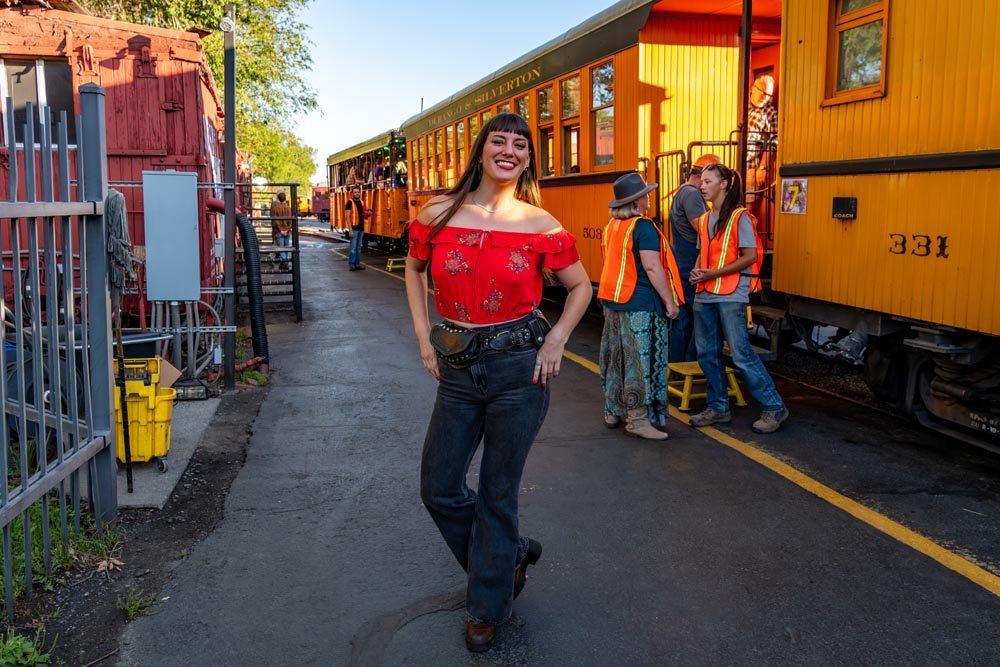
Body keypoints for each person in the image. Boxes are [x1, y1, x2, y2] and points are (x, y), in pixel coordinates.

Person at [405, 112, 591, 653]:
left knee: (497, 492)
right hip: (459, 367)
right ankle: (506, 556)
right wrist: (423, 338)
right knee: (437, 486)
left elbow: (580, 288)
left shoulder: (541, 225)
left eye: (520, 145)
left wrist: (555, 341)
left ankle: (488, 606)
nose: (508, 150)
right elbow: (415, 272)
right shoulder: (438, 214)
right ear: (481, 151)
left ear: (528, 159)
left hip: (519, 367)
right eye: (498, 141)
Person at [688, 162, 788, 434]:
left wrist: (711, 272)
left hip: (731, 292)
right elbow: (703, 251)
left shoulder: (739, 217)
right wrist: (698, 270)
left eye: (708, 181)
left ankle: (773, 406)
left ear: (723, 185)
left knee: (741, 353)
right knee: (707, 353)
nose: (702, 186)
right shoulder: (706, 219)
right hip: (706, 292)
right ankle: (718, 407)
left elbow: (750, 256)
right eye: (702, 181)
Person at [597, 173, 682, 440]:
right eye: (646, 194)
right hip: (640, 305)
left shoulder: (612, 225)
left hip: (613, 300)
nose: (649, 198)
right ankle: (638, 419)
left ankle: (613, 410)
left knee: (617, 358)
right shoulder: (642, 227)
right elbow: (652, 267)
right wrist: (670, 301)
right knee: (640, 362)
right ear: (637, 202)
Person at [667, 154, 720, 362]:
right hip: (690, 263)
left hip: (683, 261)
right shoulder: (690, 195)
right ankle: (687, 364)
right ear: (703, 175)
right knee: (694, 319)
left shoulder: (683, 192)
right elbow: (703, 229)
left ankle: (679, 365)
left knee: (684, 319)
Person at [345, 187, 368, 271]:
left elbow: (364, 214)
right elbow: (347, 217)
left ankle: (357, 264)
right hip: (354, 228)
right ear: (352, 193)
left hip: (361, 228)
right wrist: (350, 230)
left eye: (358, 192)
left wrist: (368, 213)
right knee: (353, 248)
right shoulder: (349, 202)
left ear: (360, 193)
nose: (357, 193)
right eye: (355, 192)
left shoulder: (362, 202)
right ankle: (351, 264)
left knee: (358, 248)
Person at [269, 189, 293, 270]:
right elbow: (290, 221)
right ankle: (285, 263)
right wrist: (287, 229)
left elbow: (275, 221)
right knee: (286, 248)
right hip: (287, 231)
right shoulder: (289, 208)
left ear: (278, 198)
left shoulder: (276, 208)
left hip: (279, 232)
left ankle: (285, 262)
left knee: (281, 248)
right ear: (285, 198)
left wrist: (281, 230)